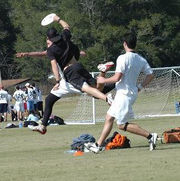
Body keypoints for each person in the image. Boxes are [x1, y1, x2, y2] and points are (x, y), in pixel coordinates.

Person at [16, 14, 115, 134]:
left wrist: (57, 80)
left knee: (94, 92)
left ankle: (107, 97)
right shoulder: (64, 37)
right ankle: (43, 125)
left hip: (70, 74)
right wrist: (57, 19)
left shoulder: (52, 50)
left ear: (49, 39)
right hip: (76, 69)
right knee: (49, 100)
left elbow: (53, 65)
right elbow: (66, 26)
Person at [85, 32, 158, 152]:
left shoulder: (122, 58)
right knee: (110, 118)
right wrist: (139, 87)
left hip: (124, 94)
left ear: (124, 43)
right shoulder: (141, 59)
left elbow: (117, 78)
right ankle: (98, 145)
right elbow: (150, 75)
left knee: (121, 124)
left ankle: (150, 136)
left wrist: (103, 79)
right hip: (129, 93)